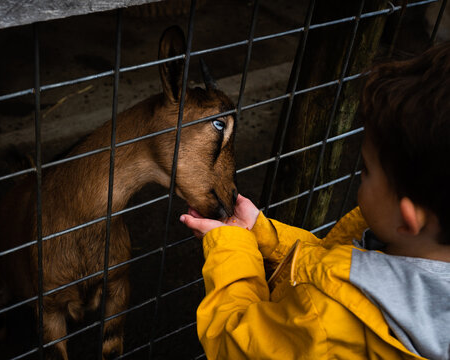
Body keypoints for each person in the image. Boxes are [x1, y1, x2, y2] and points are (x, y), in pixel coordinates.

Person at [180, 42, 450, 360]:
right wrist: (260, 233)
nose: (361, 174)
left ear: (408, 219)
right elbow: (327, 265)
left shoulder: (324, 317)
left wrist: (231, 248)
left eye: (366, 170)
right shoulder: (411, 252)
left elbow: (235, 342)